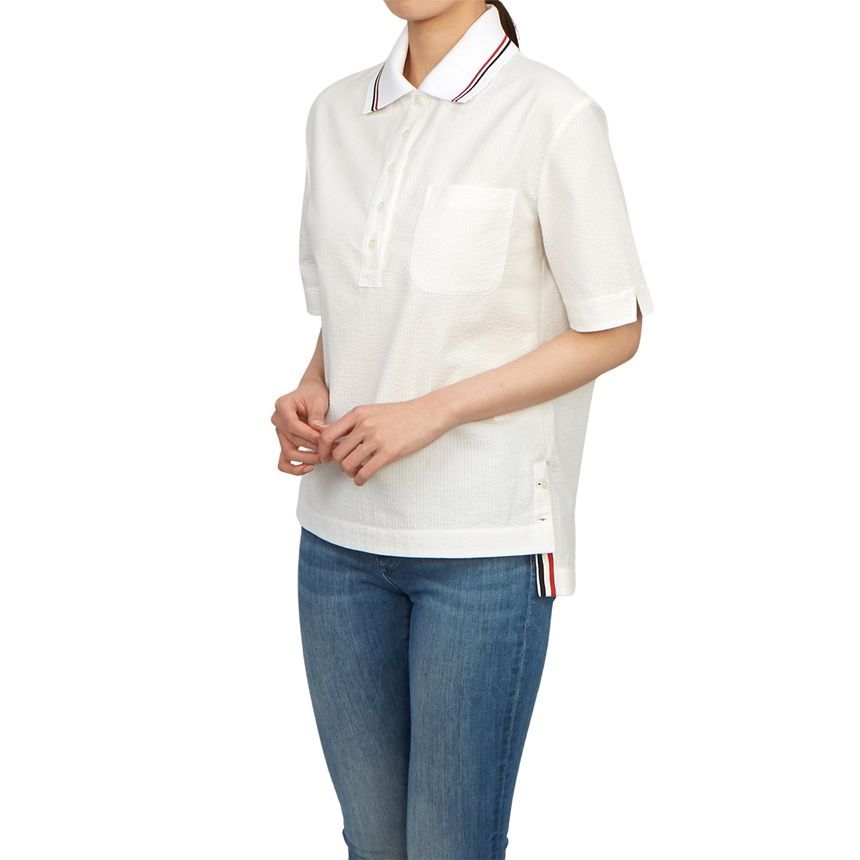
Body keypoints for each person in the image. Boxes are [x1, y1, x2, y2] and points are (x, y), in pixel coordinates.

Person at [271, 1, 655, 857]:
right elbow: (358, 306)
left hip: (483, 547)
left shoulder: (552, 113)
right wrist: (311, 387)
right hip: (336, 545)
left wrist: (433, 410)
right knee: (373, 845)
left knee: (450, 846)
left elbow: (613, 327)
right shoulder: (334, 113)